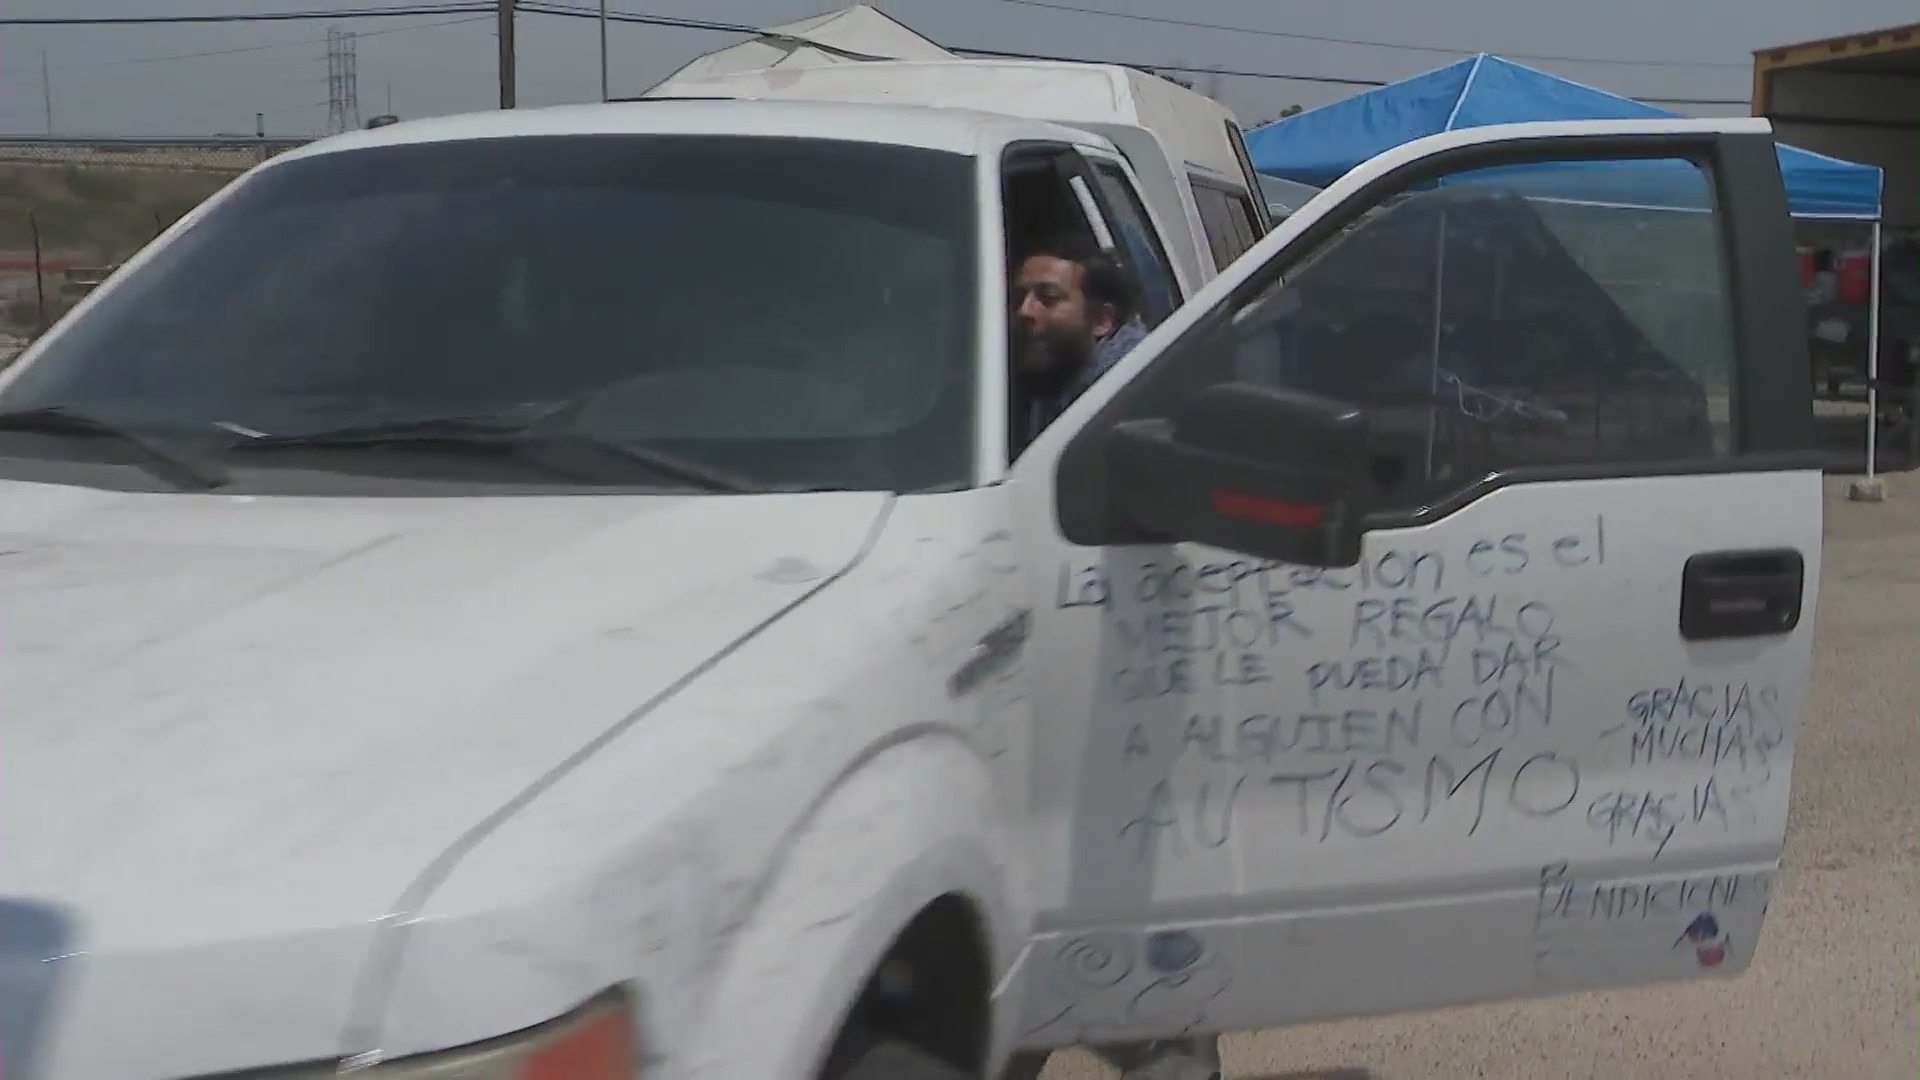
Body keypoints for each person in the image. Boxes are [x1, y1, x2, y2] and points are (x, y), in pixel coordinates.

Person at [1009, 232, 1150, 454]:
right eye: (1018, 298)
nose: (1024, 311)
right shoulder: (1049, 373)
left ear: (1101, 321)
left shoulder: (1134, 404)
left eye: (1048, 298)